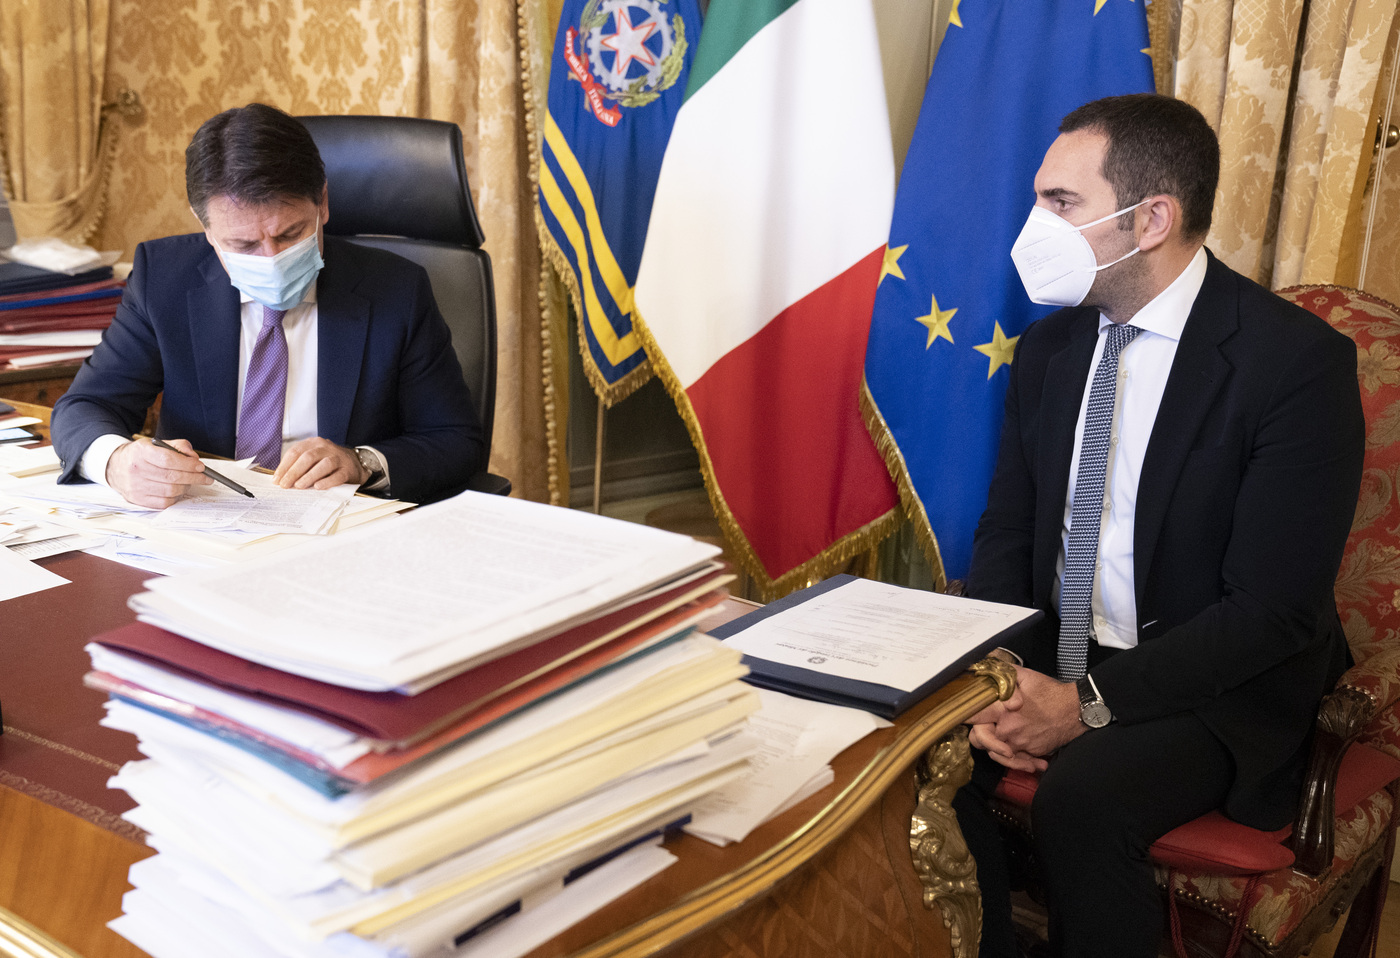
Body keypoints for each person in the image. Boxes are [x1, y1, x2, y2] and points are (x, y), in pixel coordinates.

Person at [955, 93, 1364, 958]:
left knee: (1084, 797)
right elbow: (1007, 530)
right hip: (1060, 648)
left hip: (1217, 681)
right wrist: (1000, 677)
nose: (1034, 226)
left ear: (1151, 220)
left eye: (1060, 202)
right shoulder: (1049, 351)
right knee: (922, 753)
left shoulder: (1294, 364)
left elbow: (1272, 611)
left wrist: (1081, 708)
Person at [52, 103, 484, 507]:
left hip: (337, 524)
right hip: (205, 523)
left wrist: (361, 463)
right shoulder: (164, 278)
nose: (271, 258)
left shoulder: (396, 289)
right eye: (243, 244)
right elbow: (84, 407)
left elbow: (455, 441)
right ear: (205, 227)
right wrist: (115, 462)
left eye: (290, 234)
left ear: (323, 203)